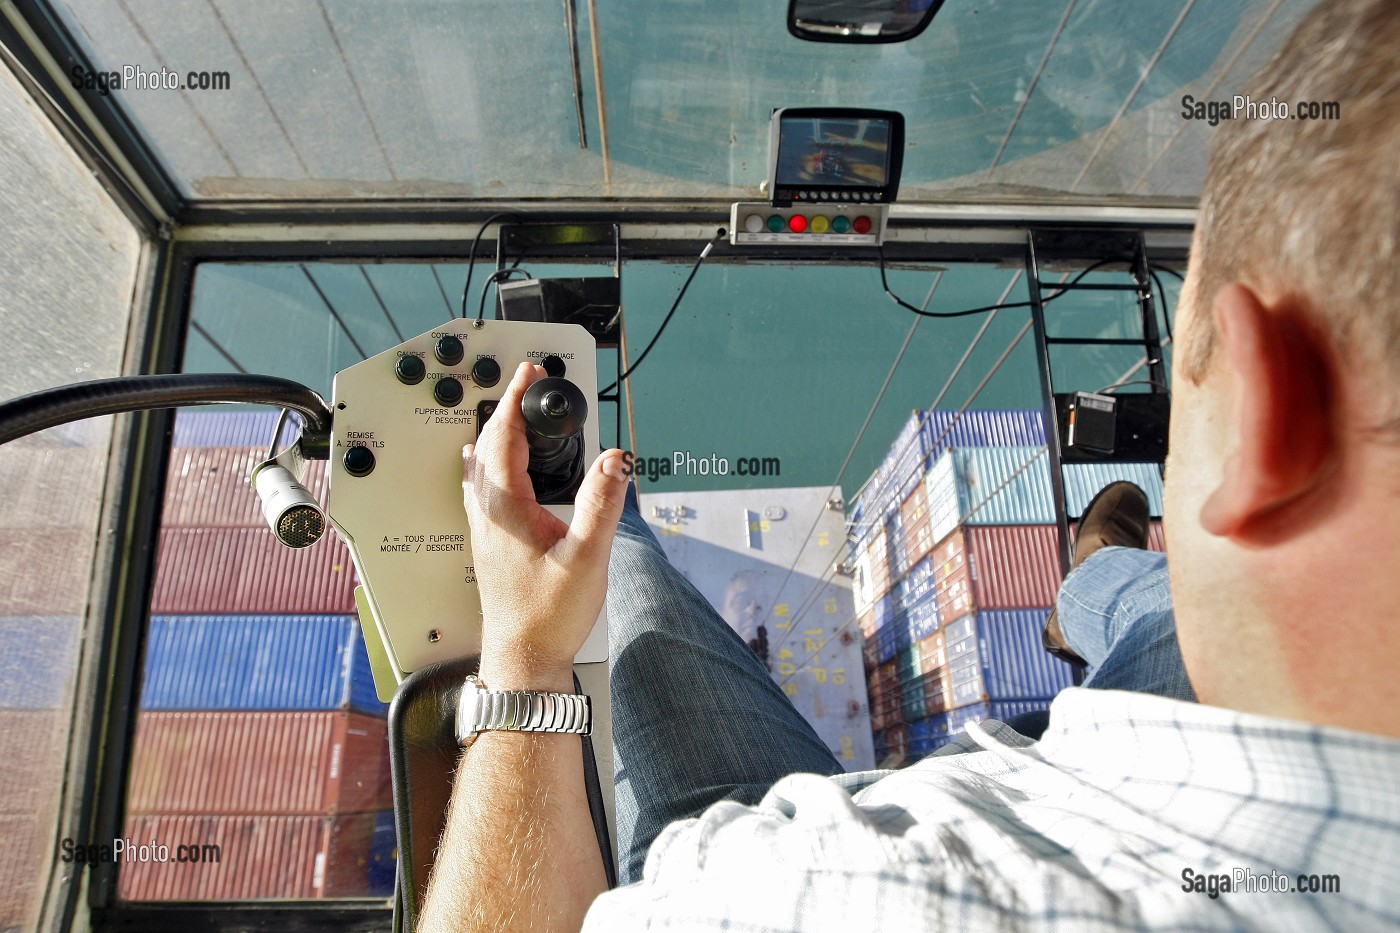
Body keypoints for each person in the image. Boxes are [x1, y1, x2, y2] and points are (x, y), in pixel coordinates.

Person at [420, 0, 1400, 927]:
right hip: (1185, 757)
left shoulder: (783, 899)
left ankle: (610, 509)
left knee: (620, 565)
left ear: (1262, 414)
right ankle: (1093, 575)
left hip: (877, 821)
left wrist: (527, 649)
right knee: (1172, 605)